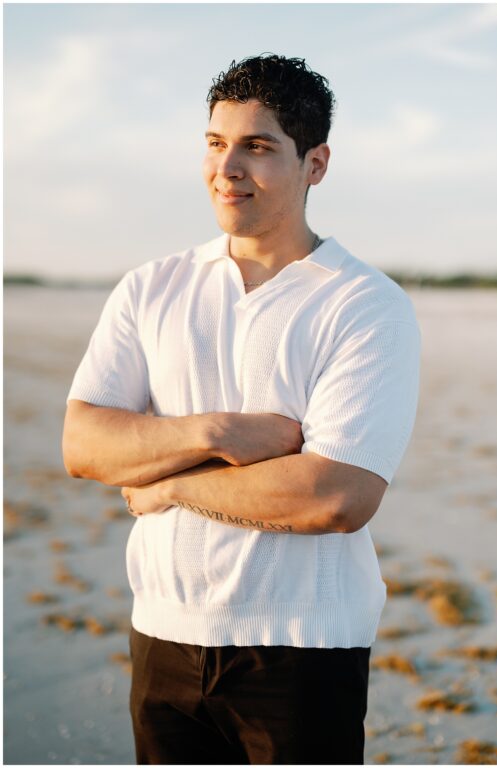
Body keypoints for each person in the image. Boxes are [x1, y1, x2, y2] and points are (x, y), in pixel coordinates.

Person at [62, 54, 420, 764]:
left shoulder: (364, 304)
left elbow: (336, 496)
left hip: (303, 646)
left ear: (315, 164)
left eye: (257, 147)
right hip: (162, 634)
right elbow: (84, 444)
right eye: (216, 143)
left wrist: (168, 481)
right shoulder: (151, 287)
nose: (227, 169)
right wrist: (219, 432)